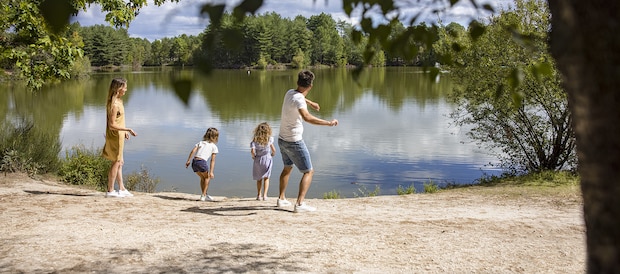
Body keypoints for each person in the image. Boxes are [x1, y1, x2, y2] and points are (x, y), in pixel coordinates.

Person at [277, 70, 338, 213]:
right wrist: (328, 123)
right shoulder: (298, 99)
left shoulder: (289, 93)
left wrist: (310, 103)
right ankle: (299, 204)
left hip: (282, 139)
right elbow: (307, 118)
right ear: (310, 85)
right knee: (309, 171)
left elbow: (299, 97)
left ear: (298, 82)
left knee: (287, 168)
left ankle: (281, 199)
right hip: (294, 141)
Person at [102, 78, 138, 198]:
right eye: (125, 87)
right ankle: (110, 190)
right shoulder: (115, 105)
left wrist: (123, 131)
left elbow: (118, 121)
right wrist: (127, 129)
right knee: (116, 162)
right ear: (118, 89)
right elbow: (112, 125)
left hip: (119, 135)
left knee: (120, 162)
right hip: (115, 136)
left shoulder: (118, 102)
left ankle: (122, 188)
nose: (126, 90)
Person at [185, 127, 219, 201]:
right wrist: (212, 172)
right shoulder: (214, 147)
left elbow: (193, 151)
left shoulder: (201, 142)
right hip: (202, 162)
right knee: (207, 177)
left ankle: (205, 194)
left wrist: (188, 161)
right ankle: (203, 195)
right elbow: (212, 160)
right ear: (215, 137)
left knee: (203, 178)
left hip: (194, 162)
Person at [250, 122, 276, 201]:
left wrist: (253, 156)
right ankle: (265, 195)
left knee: (259, 178)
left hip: (258, 160)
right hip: (267, 159)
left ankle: (258, 195)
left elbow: (252, 151)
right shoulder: (269, 139)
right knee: (266, 178)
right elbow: (274, 150)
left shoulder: (255, 140)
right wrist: (272, 154)